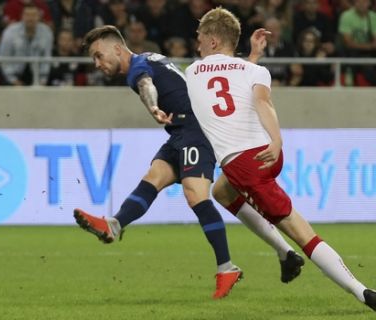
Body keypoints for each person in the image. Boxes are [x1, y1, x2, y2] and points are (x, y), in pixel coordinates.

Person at [73, 24, 304, 299]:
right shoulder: (149, 57)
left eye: (99, 55)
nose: (97, 63)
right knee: (154, 177)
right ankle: (115, 224)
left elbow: (147, 86)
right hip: (180, 132)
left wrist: (153, 107)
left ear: (117, 49)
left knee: (196, 196)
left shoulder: (137, 67)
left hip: (195, 129)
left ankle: (227, 267)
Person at [184, 7, 376, 311]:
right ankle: (286, 256)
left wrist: (276, 136)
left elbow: (253, 100)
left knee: (304, 233)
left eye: (199, 37)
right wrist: (276, 138)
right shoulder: (253, 71)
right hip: (266, 152)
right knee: (221, 191)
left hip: (245, 164)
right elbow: (258, 98)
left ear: (212, 41)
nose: (196, 44)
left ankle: (362, 291)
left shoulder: (192, 73)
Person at [0, 3, 53, 86]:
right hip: (14, 74)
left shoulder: (46, 32)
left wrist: (43, 80)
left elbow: (47, 58)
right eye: (27, 15)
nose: (30, 18)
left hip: (37, 74)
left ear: (39, 17)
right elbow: (3, 59)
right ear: (22, 16)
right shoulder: (10, 32)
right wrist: (13, 81)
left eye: (34, 15)